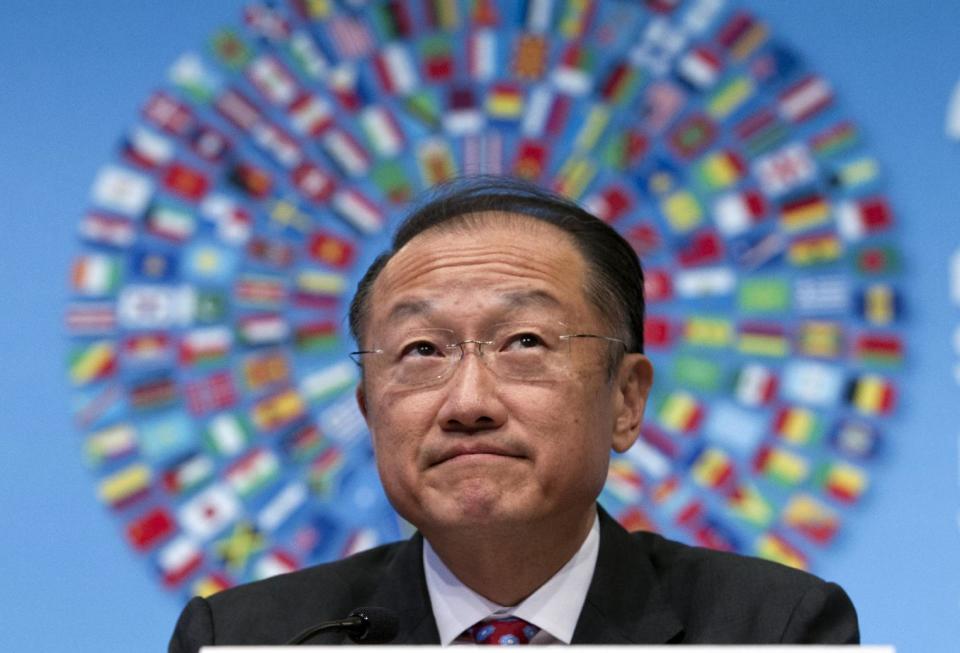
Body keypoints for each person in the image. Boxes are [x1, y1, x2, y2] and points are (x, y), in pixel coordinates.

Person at [169, 177, 858, 650]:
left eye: (524, 342)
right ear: (370, 411)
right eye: (421, 349)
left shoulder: (774, 628)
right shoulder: (246, 638)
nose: (468, 403)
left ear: (625, 399)